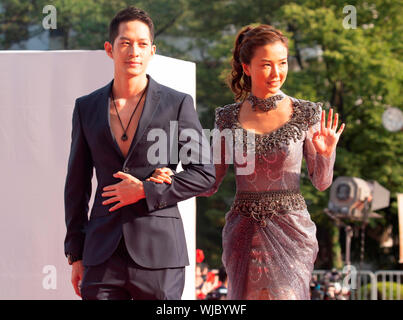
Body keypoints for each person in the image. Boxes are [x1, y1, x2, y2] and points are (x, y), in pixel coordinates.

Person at [152, 24, 345, 299]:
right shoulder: (227, 118)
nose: (277, 72)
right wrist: (174, 177)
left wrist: (326, 155)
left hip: (291, 233)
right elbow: (209, 183)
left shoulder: (307, 113)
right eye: (266, 65)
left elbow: (322, 183)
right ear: (246, 67)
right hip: (244, 233)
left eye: (282, 63)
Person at [64, 6, 215, 300]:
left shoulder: (177, 103)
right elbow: (76, 185)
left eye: (142, 44)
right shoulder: (87, 107)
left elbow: (205, 174)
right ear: (110, 49)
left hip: (160, 255)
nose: (134, 51)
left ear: (152, 51)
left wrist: (146, 191)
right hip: (101, 252)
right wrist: (76, 253)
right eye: (126, 43)